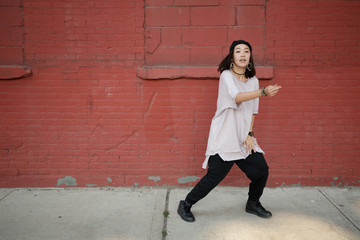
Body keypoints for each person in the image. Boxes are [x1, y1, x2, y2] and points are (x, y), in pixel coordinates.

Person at [177, 40, 281, 222]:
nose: (242, 54)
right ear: (232, 57)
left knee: (261, 170)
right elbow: (237, 97)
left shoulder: (254, 81)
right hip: (225, 135)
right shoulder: (226, 76)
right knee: (214, 177)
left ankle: (253, 203)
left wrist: (250, 135)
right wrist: (263, 91)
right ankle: (185, 204)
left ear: (250, 57)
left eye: (246, 51)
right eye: (238, 51)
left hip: (243, 137)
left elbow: (253, 111)